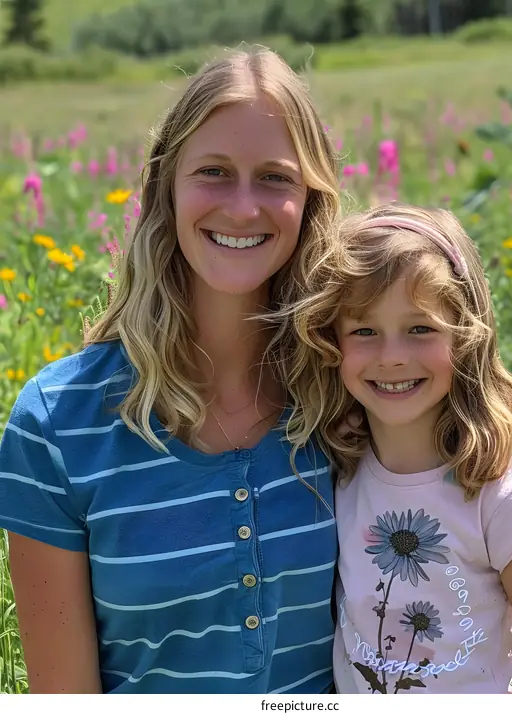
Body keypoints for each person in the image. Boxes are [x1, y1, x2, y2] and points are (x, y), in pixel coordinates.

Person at [0, 47, 340, 694]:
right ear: (165, 185)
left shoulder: (346, 396)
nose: (243, 207)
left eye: (275, 177)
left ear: (310, 199)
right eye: (213, 171)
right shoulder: (57, 427)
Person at [277, 203, 512, 694]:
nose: (392, 357)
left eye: (420, 328)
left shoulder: (499, 498)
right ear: (332, 343)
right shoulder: (333, 470)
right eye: (364, 331)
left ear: (466, 337)